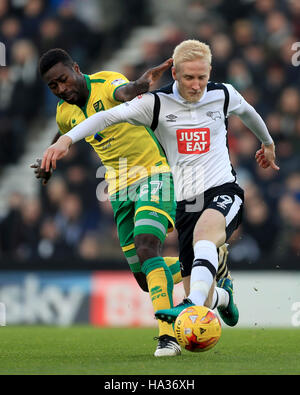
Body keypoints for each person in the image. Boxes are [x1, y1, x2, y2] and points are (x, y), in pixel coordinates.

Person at [40, 41, 255, 331]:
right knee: (144, 277)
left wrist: (140, 84)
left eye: (63, 79)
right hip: (118, 188)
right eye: (53, 86)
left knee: (146, 246)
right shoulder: (64, 111)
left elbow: (125, 91)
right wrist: (51, 155)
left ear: (76, 69)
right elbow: (65, 128)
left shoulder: (105, 82)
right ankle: (210, 268)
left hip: (154, 173)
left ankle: (167, 336)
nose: (61, 88)